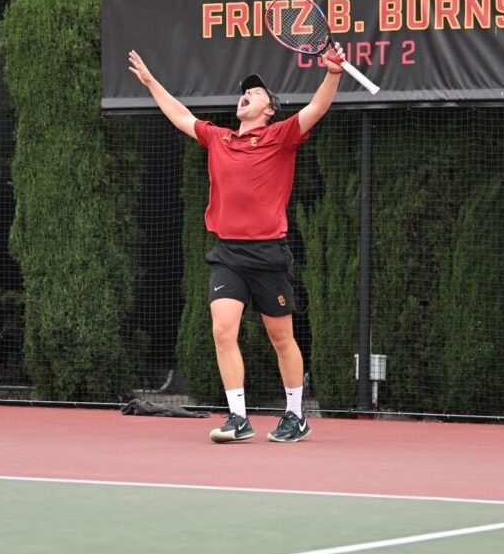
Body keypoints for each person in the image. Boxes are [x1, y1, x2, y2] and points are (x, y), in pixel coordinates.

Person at [127, 45, 345, 443]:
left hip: (268, 253)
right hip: (228, 253)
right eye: (244, 91)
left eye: (256, 92)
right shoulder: (219, 139)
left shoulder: (280, 136)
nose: (246, 94)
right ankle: (238, 418)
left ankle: (295, 416)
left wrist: (332, 74)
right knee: (222, 331)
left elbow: (315, 109)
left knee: (281, 338)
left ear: (268, 110)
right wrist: (150, 81)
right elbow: (181, 115)